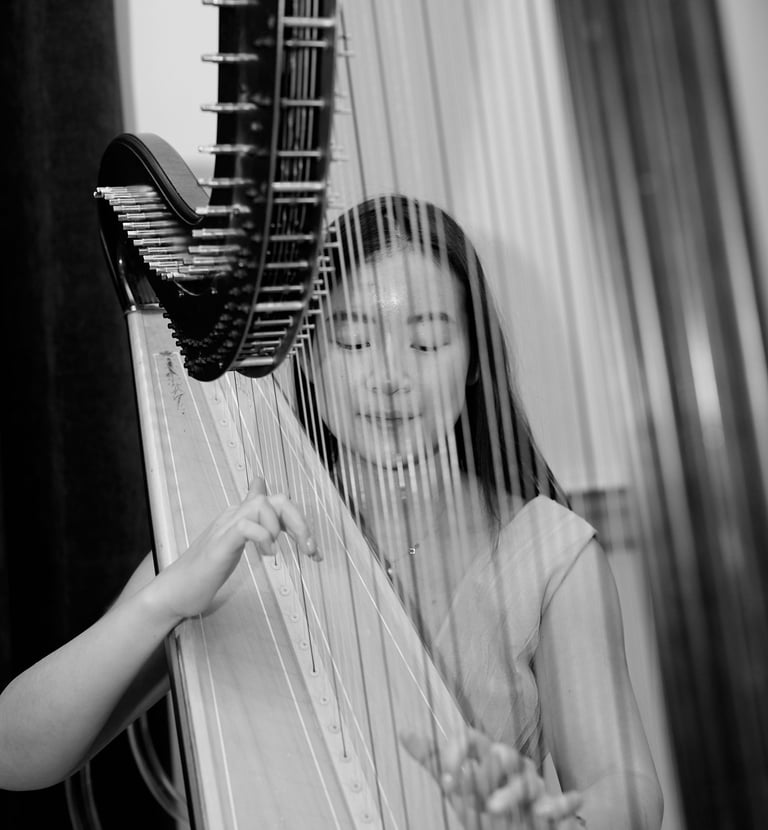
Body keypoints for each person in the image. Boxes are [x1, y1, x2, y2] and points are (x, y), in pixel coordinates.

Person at [0, 192, 663, 830]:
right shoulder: (245, 530)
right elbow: (15, 753)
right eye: (352, 342)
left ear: (472, 364)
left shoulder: (549, 552)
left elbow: (627, 787)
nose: (390, 376)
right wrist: (162, 601)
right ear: (309, 360)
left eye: (428, 343)